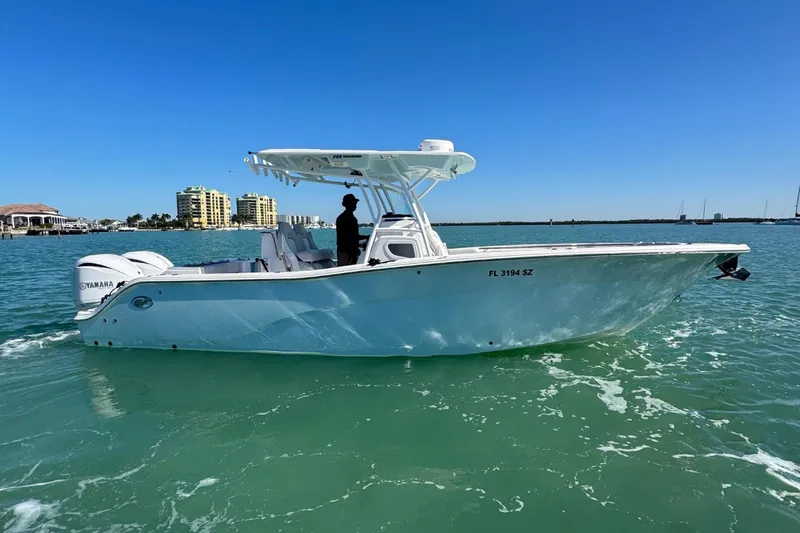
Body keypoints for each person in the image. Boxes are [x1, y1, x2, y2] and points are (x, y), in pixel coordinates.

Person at [336, 193, 369, 266]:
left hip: (351, 251)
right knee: (345, 271)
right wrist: (367, 237)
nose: (355, 205)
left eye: (355, 203)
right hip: (346, 253)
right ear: (347, 204)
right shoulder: (345, 218)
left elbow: (352, 237)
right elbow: (350, 236)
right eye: (353, 203)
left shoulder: (348, 218)